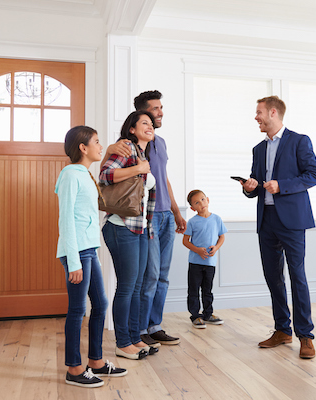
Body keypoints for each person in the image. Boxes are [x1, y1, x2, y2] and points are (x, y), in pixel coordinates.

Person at [240, 96, 316, 359]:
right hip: (267, 220)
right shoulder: (258, 149)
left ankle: (305, 336)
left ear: (273, 113)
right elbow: (256, 186)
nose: (256, 117)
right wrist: (249, 187)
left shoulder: (299, 141)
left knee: (297, 277)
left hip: (293, 221)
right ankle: (282, 330)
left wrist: (281, 185)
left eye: (259, 112)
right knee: (273, 278)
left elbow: (313, 175)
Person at [55, 125, 127, 388]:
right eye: (96, 142)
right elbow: (67, 221)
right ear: (83, 148)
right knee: (77, 310)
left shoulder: (85, 174)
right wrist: (73, 261)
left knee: (100, 304)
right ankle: (74, 368)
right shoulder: (70, 175)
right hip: (77, 253)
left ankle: (95, 361)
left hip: (89, 250)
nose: (100, 146)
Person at [100, 111, 159, 360]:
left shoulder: (143, 155)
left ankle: (134, 339)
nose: (150, 126)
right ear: (132, 129)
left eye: (151, 123)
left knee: (136, 287)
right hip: (120, 225)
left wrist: (150, 227)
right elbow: (105, 176)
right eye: (144, 123)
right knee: (126, 287)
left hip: (140, 228)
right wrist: (138, 168)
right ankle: (122, 343)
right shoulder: (124, 148)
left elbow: (146, 197)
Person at [134, 90, 186, 346]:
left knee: (164, 275)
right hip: (149, 215)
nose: (161, 112)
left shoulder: (161, 142)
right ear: (143, 114)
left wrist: (177, 212)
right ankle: (140, 328)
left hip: (166, 215)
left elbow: (164, 177)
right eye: (155, 108)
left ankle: (155, 326)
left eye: (161, 107)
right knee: (150, 274)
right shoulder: (131, 143)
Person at [182, 190, 227, 328]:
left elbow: (222, 237)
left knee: (207, 289)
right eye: (196, 202)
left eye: (202, 199)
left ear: (207, 199)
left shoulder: (217, 219)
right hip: (195, 263)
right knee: (194, 289)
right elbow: (185, 241)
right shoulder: (192, 222)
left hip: (210, 262)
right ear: (192, 208)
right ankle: (195, 316)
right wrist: (197, 250)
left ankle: (208, 314)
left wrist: (216, 248)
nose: (201, 203)